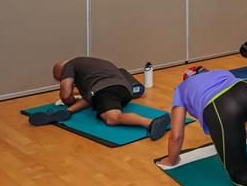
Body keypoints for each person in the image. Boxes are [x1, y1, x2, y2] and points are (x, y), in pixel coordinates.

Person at [30, 57, 170, 140]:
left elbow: (65, 94)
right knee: (103, 107)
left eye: (60, 78)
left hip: (107, 90)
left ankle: (151, 122)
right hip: (124, 90)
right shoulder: (93, 65)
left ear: (61, 71)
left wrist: (69, 102)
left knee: (112, 118)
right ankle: (152, 122)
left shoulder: (69, 66)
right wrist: (70, 111)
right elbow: (91, 97)